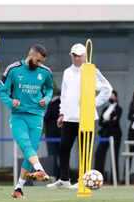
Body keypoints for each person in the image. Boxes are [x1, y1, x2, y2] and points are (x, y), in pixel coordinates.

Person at [46, 43, 112, 189]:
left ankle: (84, 180)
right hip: (69, 118)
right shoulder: (67, 72)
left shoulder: (91, 71)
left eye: (79, 55)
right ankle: (64, 180)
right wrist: (62, 113)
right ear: (71, 56)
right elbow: (64, 95)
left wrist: (93, 103)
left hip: (86, 118)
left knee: (85, 150)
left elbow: (107, 89)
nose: (76, 58)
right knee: (63, 148)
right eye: (74, 55)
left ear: (84, 56)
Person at [0, 44, 54, 199]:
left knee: (31, 153)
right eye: (37, 61)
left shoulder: (45, 72)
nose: (38, 64)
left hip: (37, 116)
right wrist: (11, 102)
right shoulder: (13, 69)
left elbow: (50, 89)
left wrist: (46, 99)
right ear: (30, 54)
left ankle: (18, 189)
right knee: (25, 145)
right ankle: (40, 168)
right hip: (18, 116)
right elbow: (2, 92)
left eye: (41, 62)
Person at [94, 90, 122, 184]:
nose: (111, 97)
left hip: (115, 134)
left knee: (114, 156)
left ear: (116, 97)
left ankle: (114, 180)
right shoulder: (106, 108)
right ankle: (98, 177)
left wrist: (107, 122)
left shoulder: (118, 108)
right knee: (99, 154)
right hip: (104, 134)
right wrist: (108, 121)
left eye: (112, 96)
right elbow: (101, 122)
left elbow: (114, 122)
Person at [43, 90, 61, 180]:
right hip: (62, 133)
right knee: (63, 155)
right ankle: (64, 175)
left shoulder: (53, 102)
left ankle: (56, 176)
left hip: (52, 134)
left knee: (53, 156)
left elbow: (47, 117)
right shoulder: (64, 103)